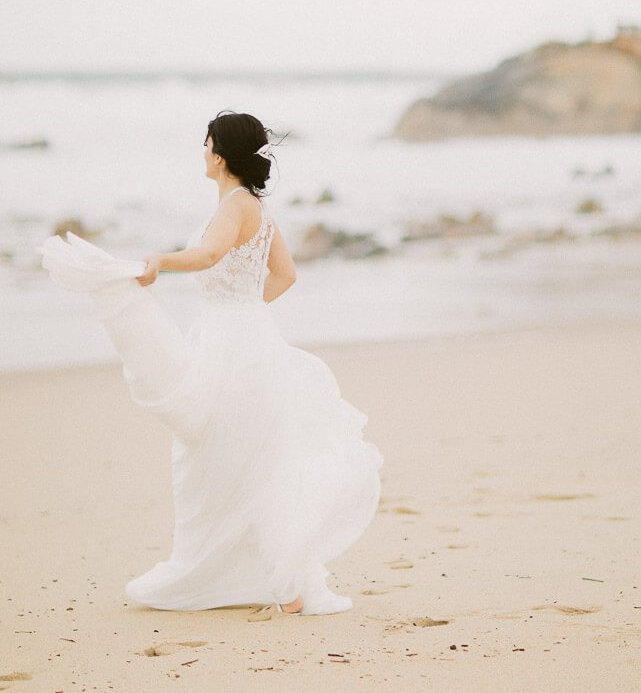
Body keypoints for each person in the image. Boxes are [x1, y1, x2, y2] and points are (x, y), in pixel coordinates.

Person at [40, 110, 384, 616]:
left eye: (206, 145)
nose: (202, 153)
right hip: (250, 340)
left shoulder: (234, 205)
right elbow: (286, 275)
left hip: (231, 346)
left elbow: (206, 256)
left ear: (220, 155)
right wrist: (246, 311)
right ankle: (279, 584)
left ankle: (278, 585)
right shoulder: (258, 209)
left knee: (216, 460)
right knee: (248, 460)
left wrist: (161, 260)